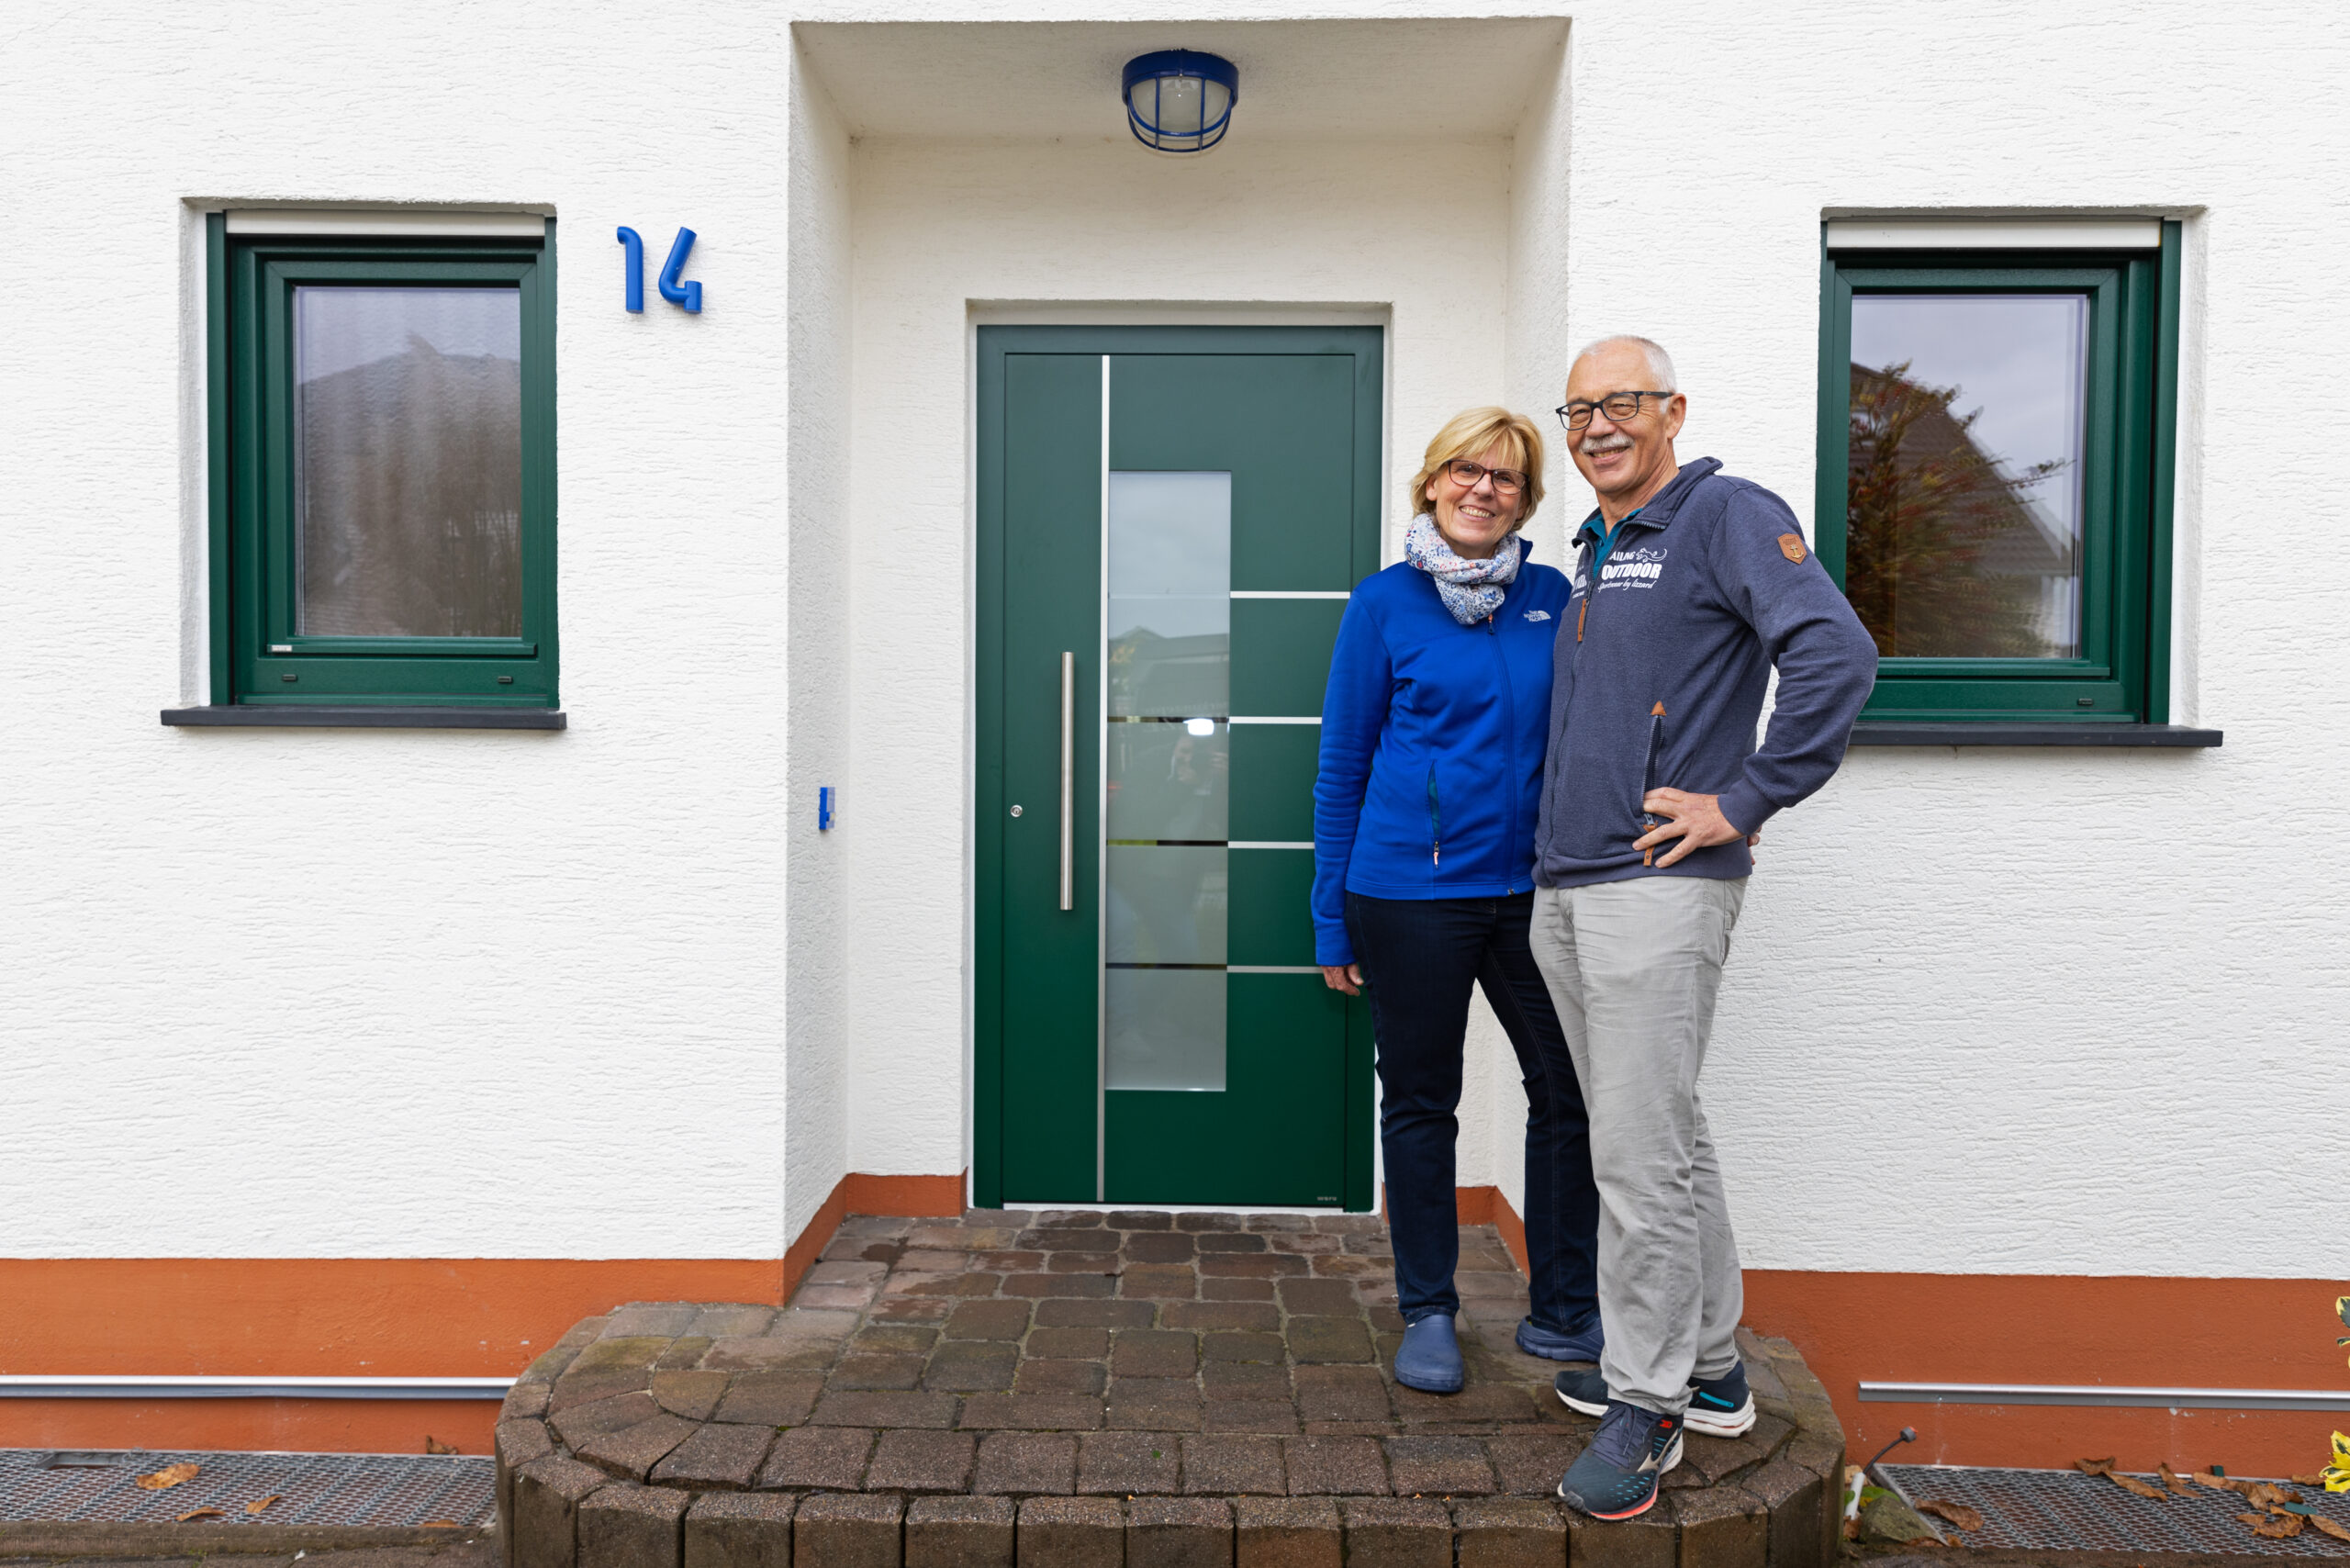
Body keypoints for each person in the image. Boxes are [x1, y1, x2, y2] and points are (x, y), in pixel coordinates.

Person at [1530, 338, 1877, 1518]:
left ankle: (1648, 1402)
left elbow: (1835, 650)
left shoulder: (1723, 513)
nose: (1597, 425)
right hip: (1572, 883)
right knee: (1663, 1133)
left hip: (1652, 887)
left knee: (1636, 1158)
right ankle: (1713, 1366)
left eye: (1622, 401)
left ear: (1672, 409)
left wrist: (1748, 795)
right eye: (1579, 408)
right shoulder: (1597, 546)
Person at [1313, 406, 1605, 1395]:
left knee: (1566, 1091)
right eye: (1466, 471)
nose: (1484, 489)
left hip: (1531, 891)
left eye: (1506, 477)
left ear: (1525, 499)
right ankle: (1428, 1309)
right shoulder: (1383, 604)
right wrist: (1330, 917)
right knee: (1421, 1099)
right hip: (1408, 893)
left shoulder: (1553, 596)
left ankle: (1562, 1308)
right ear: (1433, 482)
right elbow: (1343, 765)